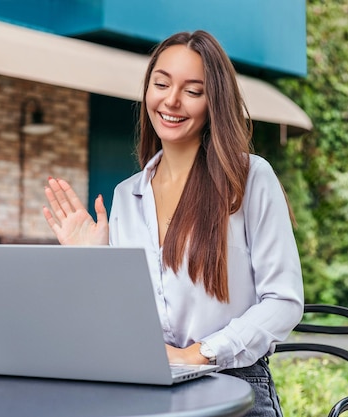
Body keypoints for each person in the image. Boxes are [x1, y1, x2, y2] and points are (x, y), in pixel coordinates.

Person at [43, 30, 304, 417]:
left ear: (214, 101)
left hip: (234, 383)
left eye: (193, 91)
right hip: (149, 385)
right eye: (161, 84)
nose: (171, 100)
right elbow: (123, 319)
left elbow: (284, 302)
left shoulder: (249, 179)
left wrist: (198, 355)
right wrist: (93, 262)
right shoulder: (126, 196)